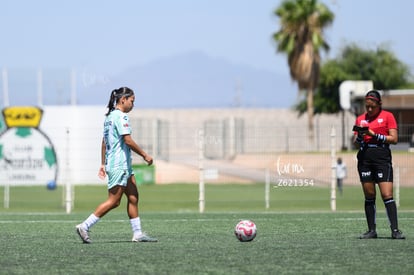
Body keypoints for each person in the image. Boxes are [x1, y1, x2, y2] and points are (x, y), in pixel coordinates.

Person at [76, 87, 157, 243]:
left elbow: (104, 142)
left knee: (133, 196)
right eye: (132, 101)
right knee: (114, 201)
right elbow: (127, 140)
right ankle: (84, 226)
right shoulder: (121, 117)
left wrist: (102, 163)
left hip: (122, 165)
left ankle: (137, 233)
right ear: (123, 100)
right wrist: (145, 155)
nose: (133, 104)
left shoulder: (109, 118)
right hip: (119, 165)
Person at [353, 90, 405, 239]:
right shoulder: (360, 119)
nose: (369, 110)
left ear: (379, 104)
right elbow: (355, 142)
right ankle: (372, 230)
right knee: (369, 195)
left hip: (382, 158)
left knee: (387, 194)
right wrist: (360, 138)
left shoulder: (387, 116)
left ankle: (395, 231)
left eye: (372, 106)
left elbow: (394, 139)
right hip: (364, 159)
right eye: (367, 106)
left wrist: (374, 134)